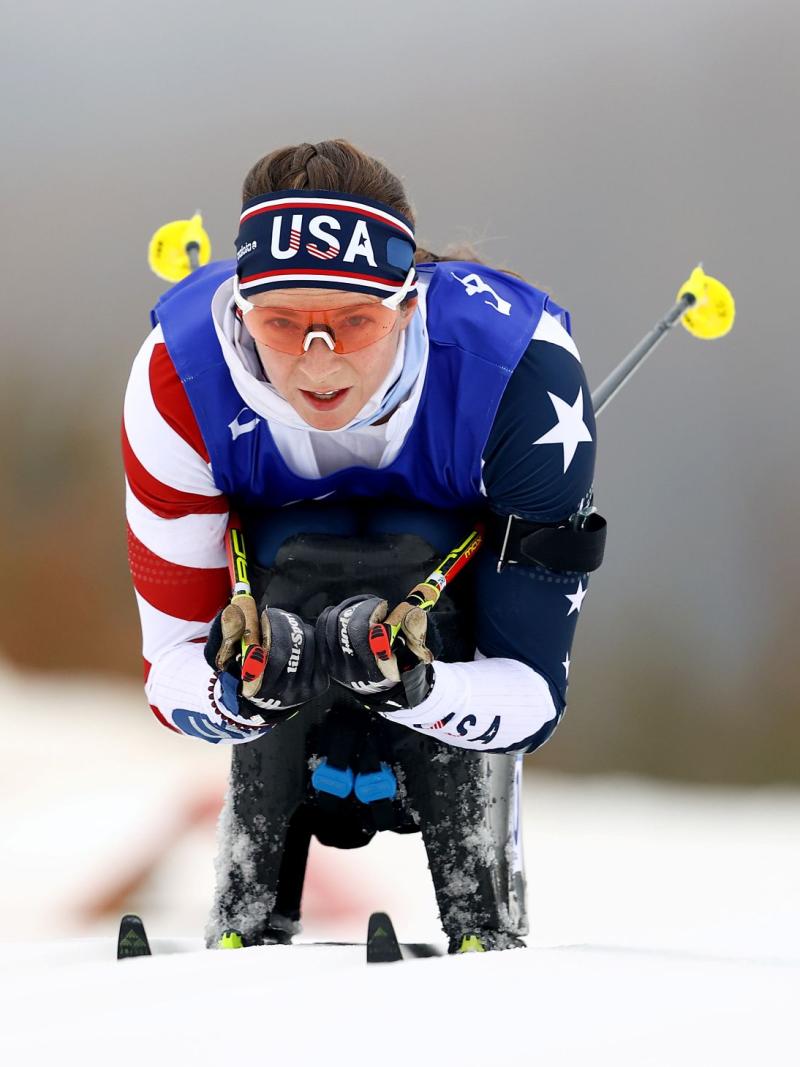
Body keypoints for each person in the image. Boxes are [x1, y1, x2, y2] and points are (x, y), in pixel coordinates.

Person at [122, 139, 604, 953]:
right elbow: (167, 665)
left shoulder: (525, 376)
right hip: (282, 585)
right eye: (282, 323)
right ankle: (251, 897)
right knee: (275, 626)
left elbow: (532, 694)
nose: (320, 360)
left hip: (448, 606)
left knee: (425, 580)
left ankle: (477, 905)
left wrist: (417, 686)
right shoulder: (176, 378)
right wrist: (242, 694)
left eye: (355, 320)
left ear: (410, 305)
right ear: (240, 309)